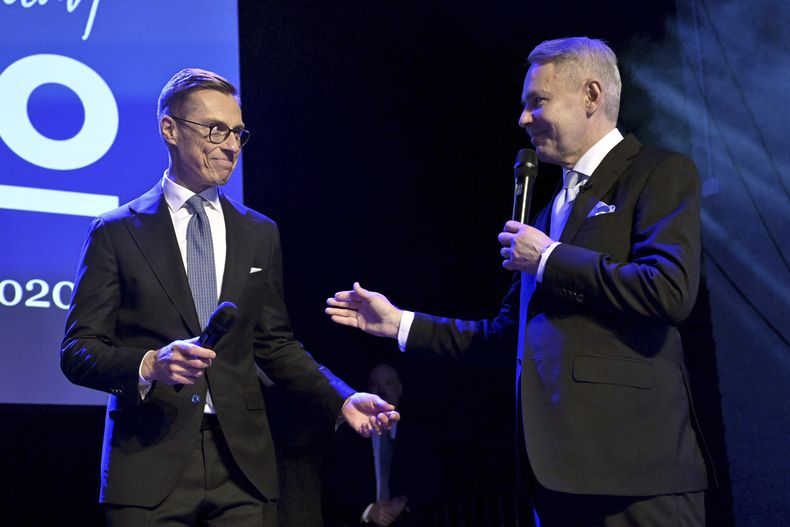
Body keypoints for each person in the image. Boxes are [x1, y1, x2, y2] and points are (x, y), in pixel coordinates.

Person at [325, 37, 709, 526]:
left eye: (537, 102)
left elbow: (669, 289)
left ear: (591, 97)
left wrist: (549, 258)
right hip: (556, 478)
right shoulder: (551, 211)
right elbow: (508, 336)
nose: (523, 119)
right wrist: (401, 322)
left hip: (636, 473)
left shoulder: (658, 172)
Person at [60, 67, 398, 527]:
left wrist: (341, 398)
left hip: (242, 466)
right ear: (170, 129)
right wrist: (150, 364)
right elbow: (78, 352)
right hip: (147, 462)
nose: (232, 145)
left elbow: (275, 345)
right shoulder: (116, 232)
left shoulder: (259, 233)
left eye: (238, 132)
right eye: (216, 129)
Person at [323, 363, 444, 527]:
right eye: (375, 384)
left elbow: (433, 479)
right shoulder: (350, 436)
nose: (382, 391)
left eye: (388, 383)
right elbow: (334, 485)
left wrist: (405, 502)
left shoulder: (419, 435)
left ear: (399, 388)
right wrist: (368, 510)